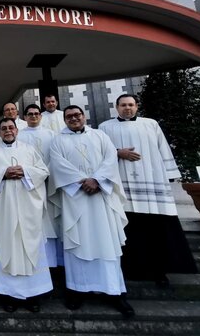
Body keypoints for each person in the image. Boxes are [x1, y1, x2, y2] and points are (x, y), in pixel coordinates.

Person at [99, 94, 197, 286]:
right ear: (116, 107)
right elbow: (100, 152)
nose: (127, 108)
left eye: (131, 105)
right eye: (123, 105)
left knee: (155, 229)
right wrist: (118, 152)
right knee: (127, 229)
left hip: (152, 183)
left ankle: (159, 271)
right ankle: (128, 268)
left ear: (136, 107)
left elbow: (163, 148)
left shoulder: (151, 124)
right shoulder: (105, 127)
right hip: (123, 186)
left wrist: (169, 173)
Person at [49, 105, 134, 317]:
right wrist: (82, 182)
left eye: (77, 115)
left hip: (101, 198)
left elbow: (110, 160)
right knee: (78, 243)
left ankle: (115, 292)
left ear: (84, 116)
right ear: (64, 120)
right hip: (75, 198)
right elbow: (58, 166)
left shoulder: (100, 136)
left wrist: (97, 180)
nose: (74, 119)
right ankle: (77, 290)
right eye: (69, 116)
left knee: (107, 243)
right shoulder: (58, 140)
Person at [0, 118, 53, 313]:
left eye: (10, 127)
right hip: (4, 209)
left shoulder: (29, 150)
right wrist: (3, 174)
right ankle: (8, 295)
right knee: (6, 246)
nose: (7, 131)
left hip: (28, 207)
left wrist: (25, 171)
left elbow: (43, 170)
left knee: (30, 246)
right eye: (3, 128)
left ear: (17, 130)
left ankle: (33, 294)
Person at [17, 104, 62, 267]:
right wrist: (33, 175)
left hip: (48, 182)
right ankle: (38, 260)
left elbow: (56, 157)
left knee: (51, 222)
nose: (34, 116)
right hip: (28, 185)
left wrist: (44, 173)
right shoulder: (19, 137)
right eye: (30, 114)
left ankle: (54, 260)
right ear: (25, 117)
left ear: (40, 116)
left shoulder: (52, 134)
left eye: (36, 114)